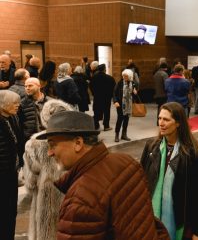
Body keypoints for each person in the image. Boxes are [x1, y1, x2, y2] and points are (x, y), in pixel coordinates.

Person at [36, 111, 169, 240]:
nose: (49, 153)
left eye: (53, 145)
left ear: (78, 143)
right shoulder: (126, 161)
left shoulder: (81, 197)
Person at [141, 102, 198, 240]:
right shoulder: (151, 147)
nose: (161, 123)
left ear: (178, 123)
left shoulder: (194, 153)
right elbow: (141, 181)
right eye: (159, 118)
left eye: (166, 119)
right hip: (151, 219)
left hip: (181, 221)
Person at [23, 99, 74, 240]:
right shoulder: (78, 139)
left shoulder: (34, 144)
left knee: (47, 233)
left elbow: (31, 182)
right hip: (73, 198)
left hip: (46, 202)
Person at [0, 90, 23, 240]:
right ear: (2, 105)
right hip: (2, 173)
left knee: (11, 210)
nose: (18, 106)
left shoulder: (13, 118)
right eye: (14, 103)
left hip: (11, 171)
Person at [19, 77, 50, 148]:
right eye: (25, 86)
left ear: (39, 86)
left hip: (47, 137)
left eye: (30, 85)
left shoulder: (50, 102)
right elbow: (20, 124)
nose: (27, 88)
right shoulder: (22, 104)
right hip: (30, 139)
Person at [113, 69, 137, 142]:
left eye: (125, 76)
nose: (124, 77)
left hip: (128, 104)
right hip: (120, 104)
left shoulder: (132, 83)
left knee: (126, 119)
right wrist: (115, 101)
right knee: (120, 119)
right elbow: (114, 93)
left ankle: (124, 134)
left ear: (129, 76)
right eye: (123, 76)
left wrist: (134, 92)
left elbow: (132, 94)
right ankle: (116, 135)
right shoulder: (120, 83)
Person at [90, 63, 115, 131]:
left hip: (97, 97)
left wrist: (94, 94)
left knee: (97, 111)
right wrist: (110, 96)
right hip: (106, 98)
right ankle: (106, 126)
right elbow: (113, 88)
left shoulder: (94, 78)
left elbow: (91, 86)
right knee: (106, 111)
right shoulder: (110, 78)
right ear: (105, 69)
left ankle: (96, 125)